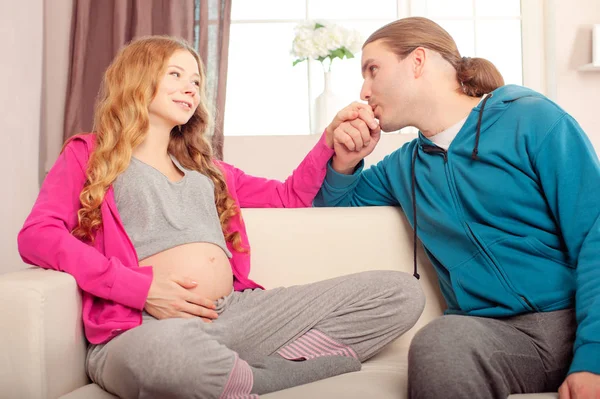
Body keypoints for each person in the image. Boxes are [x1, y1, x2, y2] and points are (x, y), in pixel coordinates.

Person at [17, 36, 424, 399]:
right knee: (168, 360)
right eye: (175, 74)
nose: (190, 87)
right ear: (137, 79)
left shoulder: (208, 168)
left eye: (195, 79)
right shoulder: (89, 154)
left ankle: (237, 377)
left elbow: (288, 197)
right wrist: (140, 289)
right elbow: (37, 235)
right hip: (144, 325)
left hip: (235, 313)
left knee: (400, 294)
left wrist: (331, 145)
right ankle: (268, 375)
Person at [315, 17, 600, 399]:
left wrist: (593, 359)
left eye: (372, 70)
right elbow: (333, 210)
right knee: (441, 342)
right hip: (498, 338)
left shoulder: (532, 119)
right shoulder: (404, 166)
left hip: (572, 320)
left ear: (417, 62)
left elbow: (594, 233)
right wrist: (344, 161)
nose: (364, 90)